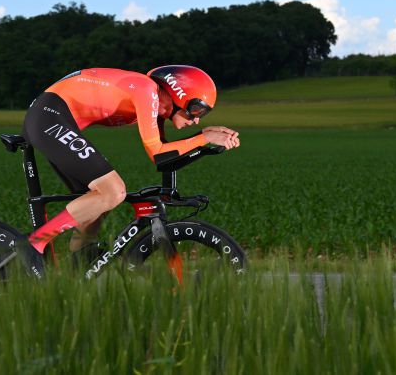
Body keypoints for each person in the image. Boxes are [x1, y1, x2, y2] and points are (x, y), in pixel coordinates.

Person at [21, 65, 240, 255]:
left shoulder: (155, 106)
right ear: (179, 93)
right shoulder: (146, 90)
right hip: (48, 115)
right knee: (113, 191)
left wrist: (204, 143)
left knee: (99, 202)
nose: (196, 119)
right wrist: (203, 138)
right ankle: (34, 243)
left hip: (54, 118)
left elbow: (164, 161)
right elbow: (158, 153)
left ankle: (79, 268)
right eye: (196, 109)